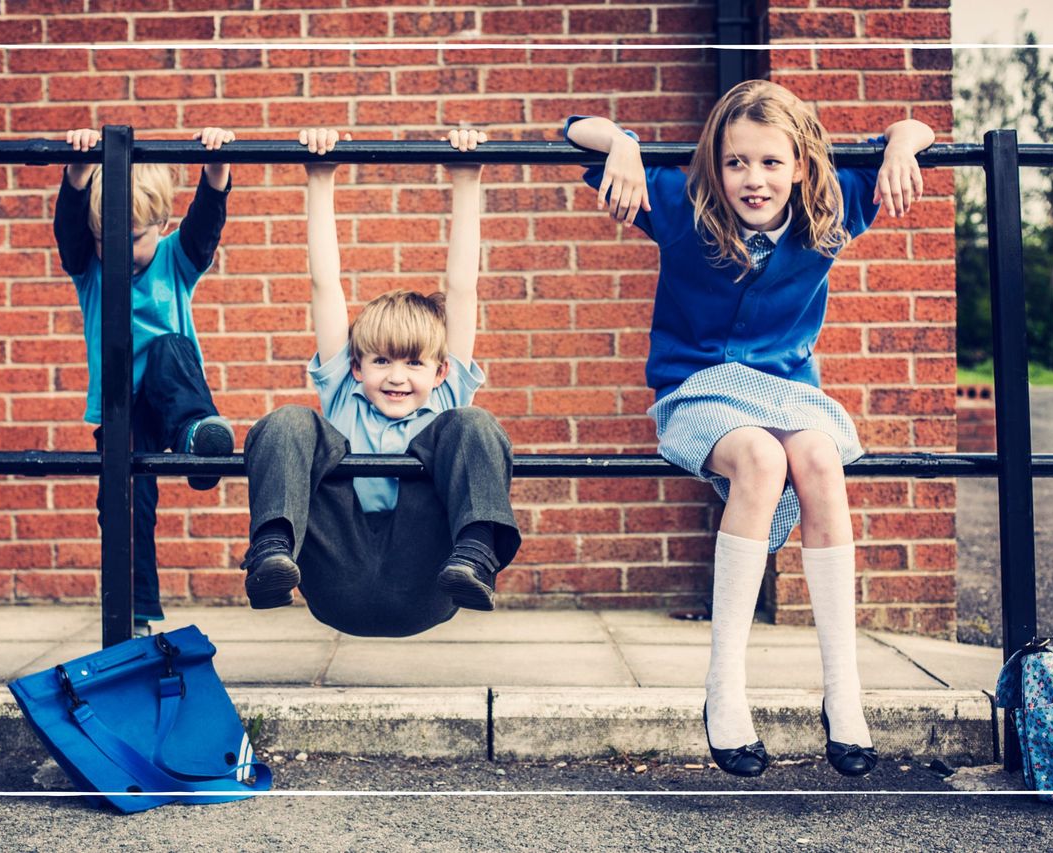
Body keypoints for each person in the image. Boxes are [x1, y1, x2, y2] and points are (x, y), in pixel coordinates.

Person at [564, 80, 935, 777]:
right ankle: (725, 689)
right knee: (763, 462)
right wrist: (621, 141)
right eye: (736, 162)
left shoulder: (835, 208)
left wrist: (901, 146)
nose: (753, 179)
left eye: (770, 162)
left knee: (821, 459)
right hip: (696, 387)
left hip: (788, 392)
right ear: (715, 164)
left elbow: (919, 125)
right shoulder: (678, 206)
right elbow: (574, 124)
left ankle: (844, 691)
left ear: (799, 164)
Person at [238, 127, 522, 638]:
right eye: (382, 362)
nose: (396, 377)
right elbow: (325, 283)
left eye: (414, 365)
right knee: (289, 420)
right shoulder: (343, 393)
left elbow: (463, 286)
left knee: (473, 424)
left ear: (440, 372)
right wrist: (319, 177)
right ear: (355, 366)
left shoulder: (448, 394)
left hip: (428, 578)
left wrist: (466, 179)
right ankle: (273, 548)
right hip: (335, 573)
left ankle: (478, 551)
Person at [55, 126, 238, 637]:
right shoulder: (90, 270)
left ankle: (200, 441)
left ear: (161, 225)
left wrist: (216, 169)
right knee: (124, 506)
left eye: (131, 238)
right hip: (121, 411)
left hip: (173, 401)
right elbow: (68, 232)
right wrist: (78, 171)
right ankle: (133, 618)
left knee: (168, 347)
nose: (115, 250)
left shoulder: (176, 260)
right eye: (104, 238)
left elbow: (205, 227)